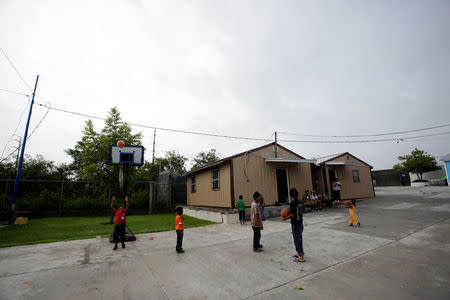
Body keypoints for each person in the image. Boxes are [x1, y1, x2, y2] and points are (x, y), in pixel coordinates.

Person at [281, 188, 305, 262]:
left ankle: (301, 256)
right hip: (300, 223)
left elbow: (292, 214)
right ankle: (299, 253)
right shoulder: (300, 202)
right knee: (297, 239)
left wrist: (285, 218)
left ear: (290, 195)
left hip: (295, 224)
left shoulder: (293, 203)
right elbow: (298, 212)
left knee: (297, 240)